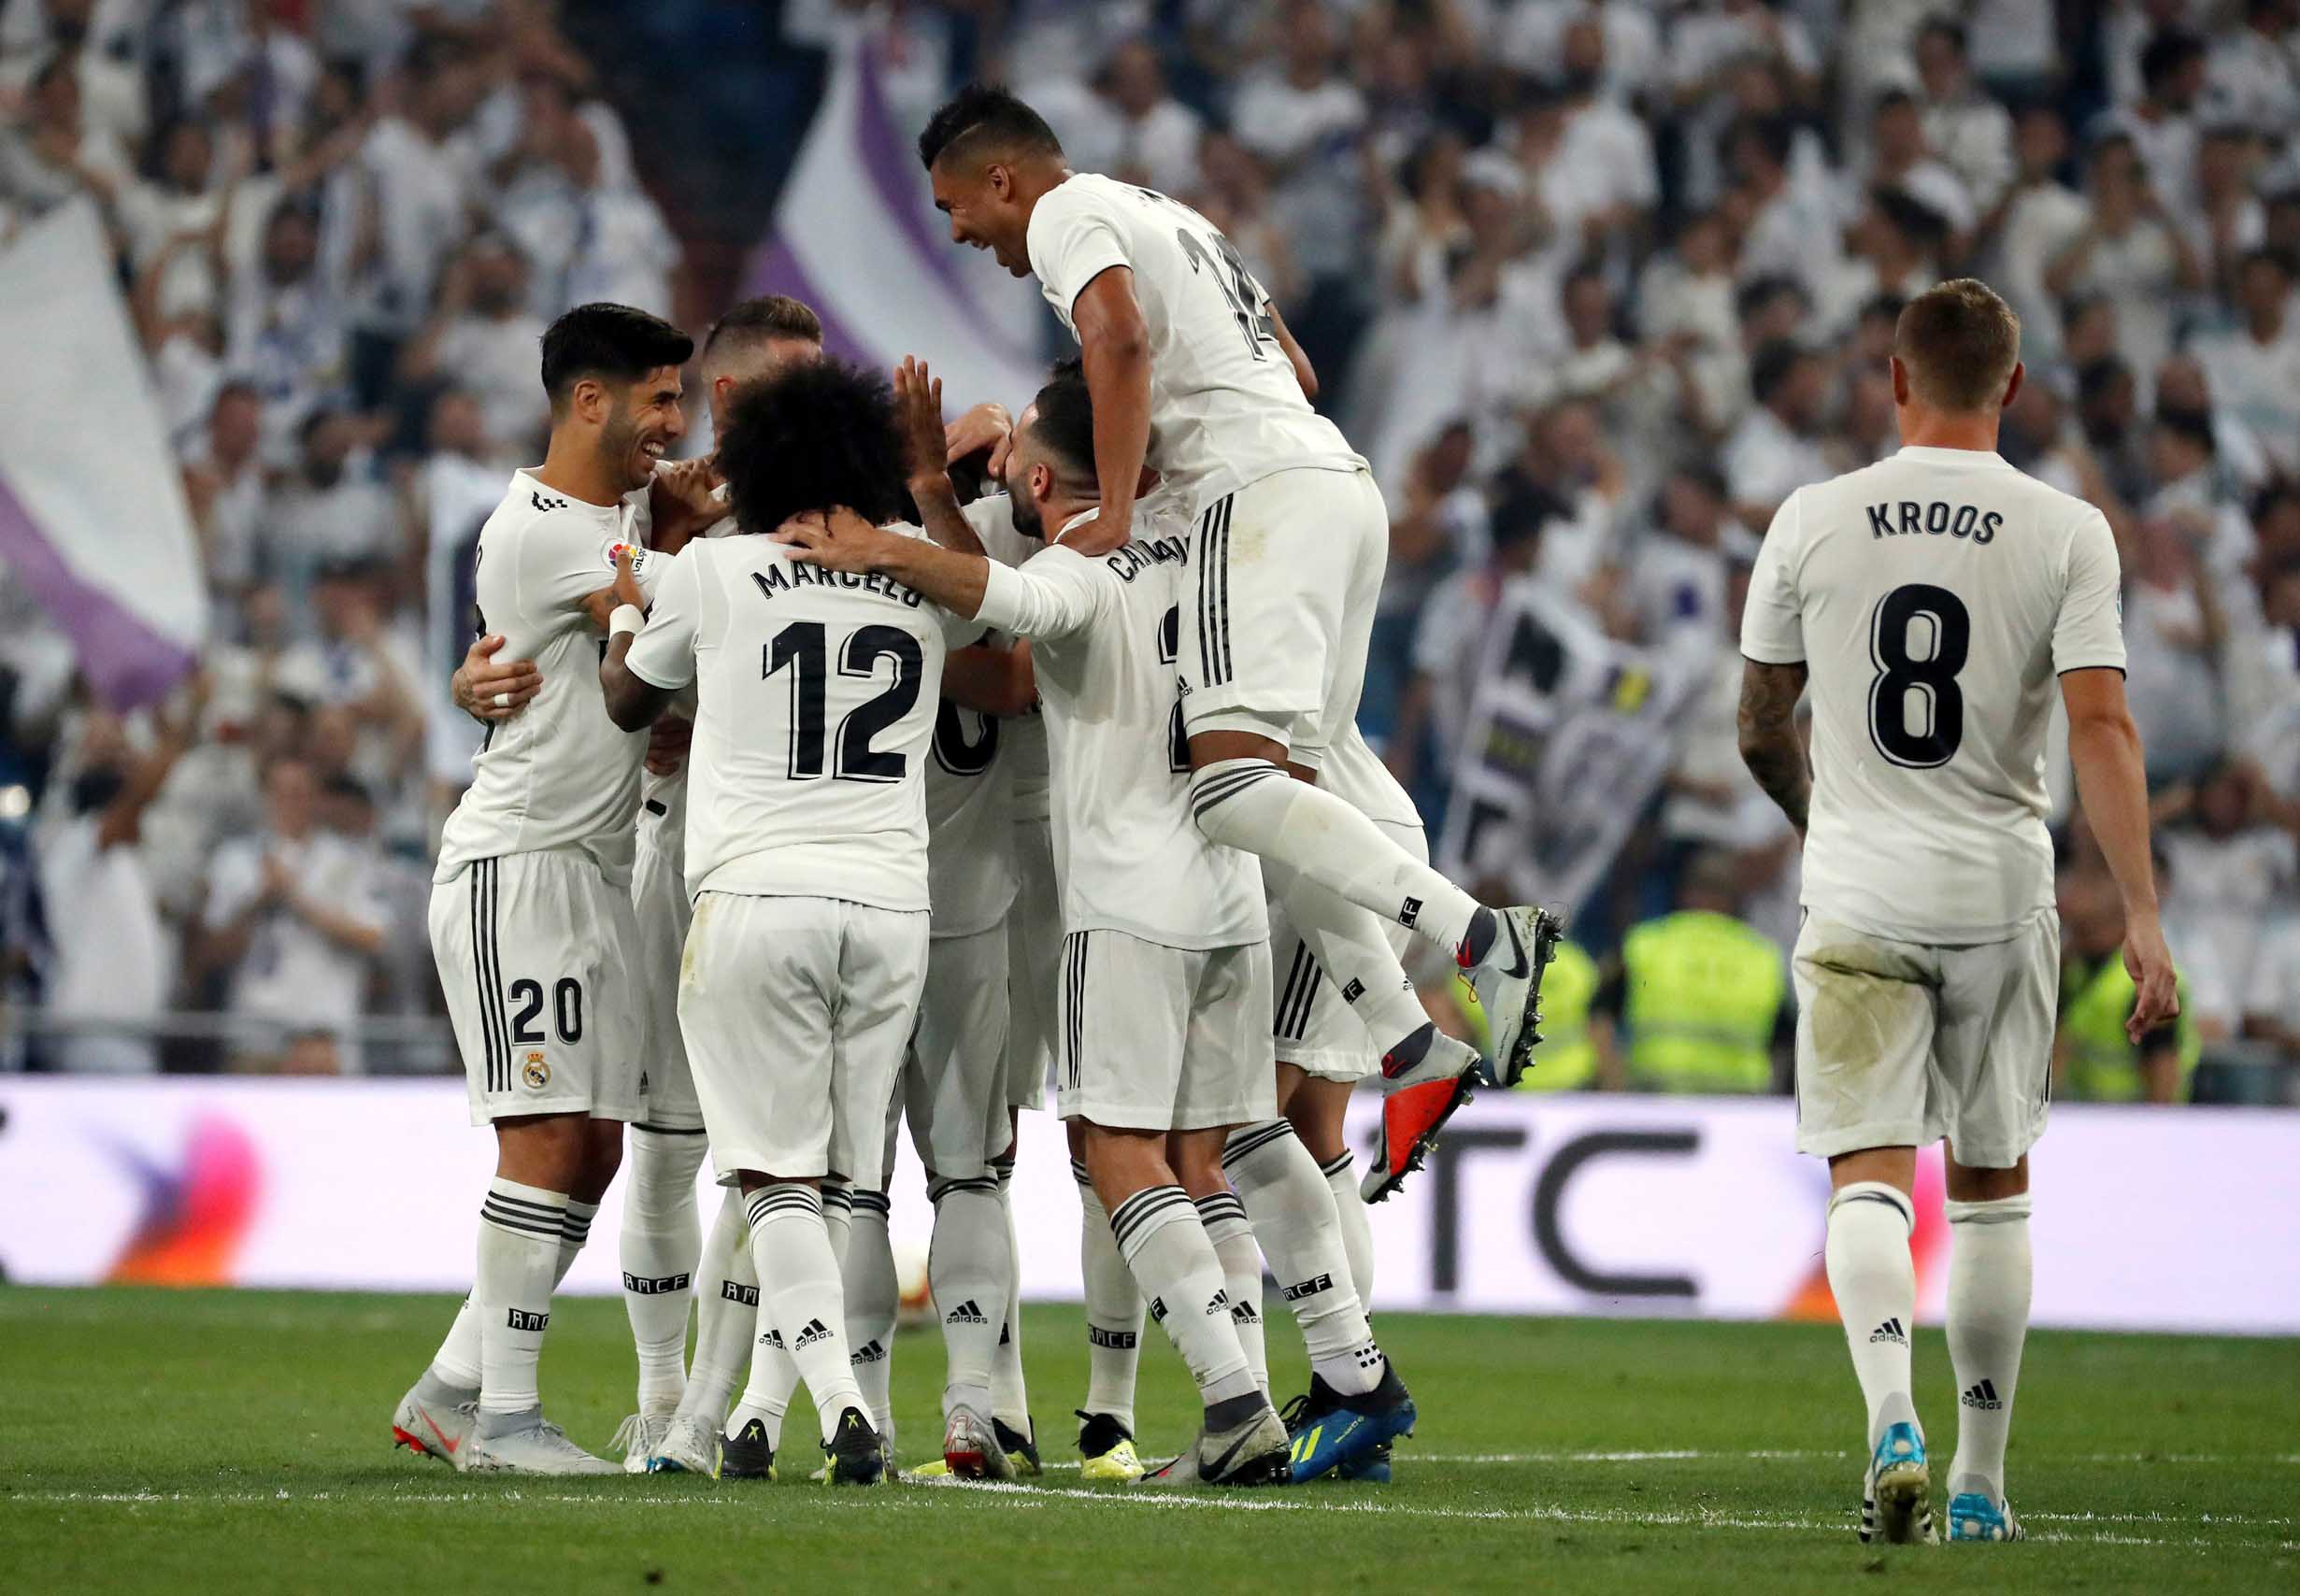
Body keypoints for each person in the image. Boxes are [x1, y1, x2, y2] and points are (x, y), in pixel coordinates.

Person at [911, 85, 1558, 1200]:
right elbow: (1295, 373)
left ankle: (1481, 938)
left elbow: (1115, 338)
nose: (961, 233)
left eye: (954, 206)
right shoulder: (1177, 219)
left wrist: (1121, 504)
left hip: (1256, 504)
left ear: (1002, 179)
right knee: (1292, 779)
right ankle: (1407, 1041)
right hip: (1334, 483)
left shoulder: (1068, 217)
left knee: (1229, 786)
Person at [780, 362, 1414, 1487]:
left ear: (1035, 477)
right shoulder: (1206, 544)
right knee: (1238, 1143)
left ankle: (1233, 1404)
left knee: (1118, 1153)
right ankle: (1352, 1366)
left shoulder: (1080, 565)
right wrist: (931, 493)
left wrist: (879, 546)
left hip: (1126, 905)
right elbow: (1005, 594)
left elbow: (1009, 612)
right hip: (1232, 894)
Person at [1736, 278, 2179, 1546]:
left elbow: (1759, 722)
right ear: (2014, 386)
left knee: (1867, 1175)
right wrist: (2141, 913)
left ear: (1894, 378)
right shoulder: (2067, 530)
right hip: (1995, 891)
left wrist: (1824, 824)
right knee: (1989, 1187)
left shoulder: (1813, 517)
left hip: (1858, 887)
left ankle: (1892, 1419)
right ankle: (1980, 1483)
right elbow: (2102, 725)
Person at [598, 357, 983, 1488]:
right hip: (891, 905)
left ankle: (844, 1405)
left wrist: (626, 606)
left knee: (771, 1181)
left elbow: (628, 702)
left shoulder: (714, 573)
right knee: (831, 1185)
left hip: (758, 898)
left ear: (756, 464)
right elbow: (985, 624)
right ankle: (753, 1414)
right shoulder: (916, 584)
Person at [392, 302, 696, 1477]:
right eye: (659, 400)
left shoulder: (610, 517)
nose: (674, 423)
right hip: (517, 868)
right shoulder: (548, 532)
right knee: (546, 1136)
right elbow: (689, 604)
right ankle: (505, 1420)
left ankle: (449, 1391)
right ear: (589, 401)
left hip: (591, 873)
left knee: (594, 1148)